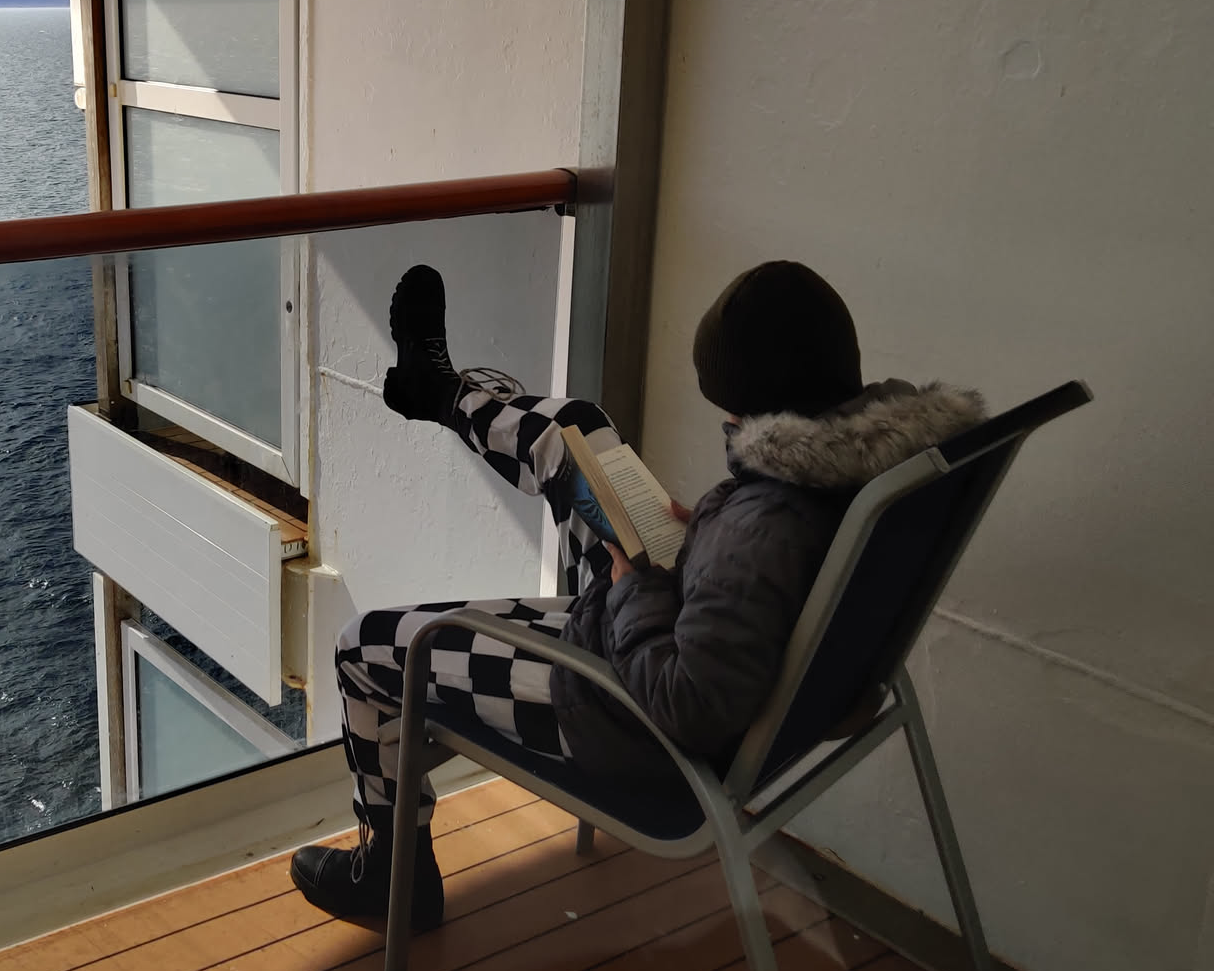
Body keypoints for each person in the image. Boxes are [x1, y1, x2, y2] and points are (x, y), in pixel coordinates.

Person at [289, 260, 985, 931]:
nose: (727, 421)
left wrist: (638, 590)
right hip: (671, 628)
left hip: (618, 707)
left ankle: (391, 876)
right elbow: (759, 576)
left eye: (730, 410)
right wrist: (704, 533)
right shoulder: (866, 471)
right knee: (577, 433)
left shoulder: (766, 527)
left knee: (363, 648)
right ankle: (441, 393)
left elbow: (688, 705)